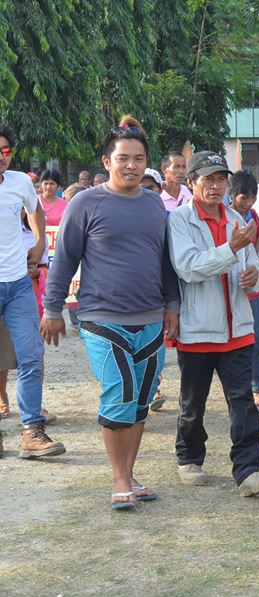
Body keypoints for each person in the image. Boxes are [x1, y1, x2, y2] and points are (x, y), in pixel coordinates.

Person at [42, 116, 177, 509]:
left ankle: (130, 474)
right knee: (118, 395)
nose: (131, 165)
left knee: (141, 399)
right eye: (123, 158)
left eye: (138, 158)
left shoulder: (154, 203)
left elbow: (166, 261)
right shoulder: (86, 202)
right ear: (106, 161)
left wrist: (172, 306)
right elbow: (63, 259)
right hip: (102, 318)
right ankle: (119, 479)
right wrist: (52, 308)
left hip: (151, 318)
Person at [167, 151, 259, 497]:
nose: (216, 187)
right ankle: (189, 456)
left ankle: (249, 470)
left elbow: (254, 268)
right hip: (199, 328)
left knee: (242, 400)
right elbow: (189, 267)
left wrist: (253, 276)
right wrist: (232, 249)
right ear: (191, 184)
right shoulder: (180, 220)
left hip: (238, 327)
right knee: (193, 402)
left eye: (221, 180)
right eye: (208, 180)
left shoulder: (235, 218)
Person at [0, 123, 62, 460]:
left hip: (19, 284)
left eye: (5, 150)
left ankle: (32, 432)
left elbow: (34, 208)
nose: (0, 157)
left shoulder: (20, 182)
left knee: (31, 355)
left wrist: (39, 243)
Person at [228, 169, 259, 415]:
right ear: (232, 194)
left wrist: (258, 279)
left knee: (257, 338)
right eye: (242, 197)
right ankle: (237, 389)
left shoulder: (255, 218)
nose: (247, 202)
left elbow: (256, 254)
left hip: (252, 286)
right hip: (226, 287)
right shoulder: (223, 217)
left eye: (251, 197)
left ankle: (256, 389)